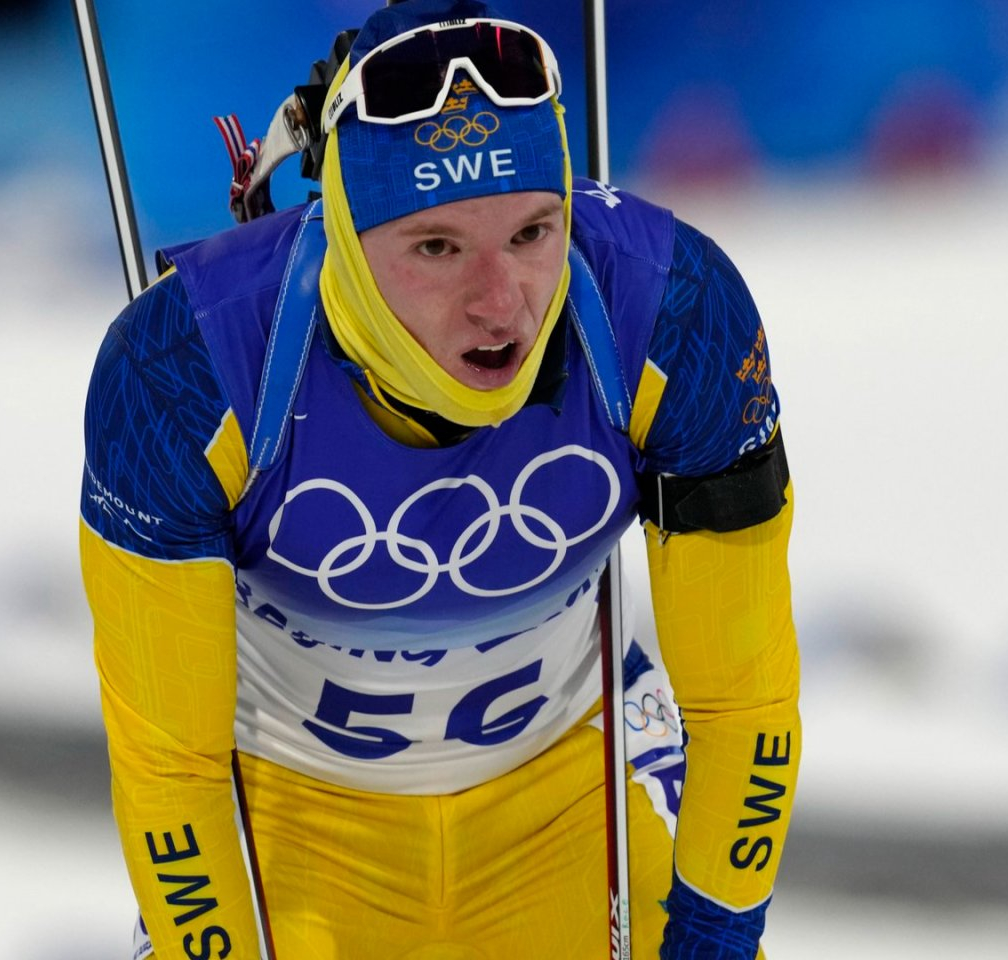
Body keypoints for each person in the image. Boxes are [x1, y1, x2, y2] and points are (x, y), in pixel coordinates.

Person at [78, 2, 800, 956]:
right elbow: (172, 769)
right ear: (339, 226)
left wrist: (715, 936)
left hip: (573, 790)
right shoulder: (186, 365)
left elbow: (744, 703)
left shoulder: (672, 309)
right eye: (436, 247)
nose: (501, 303)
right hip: (294, 822)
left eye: (535, 233)